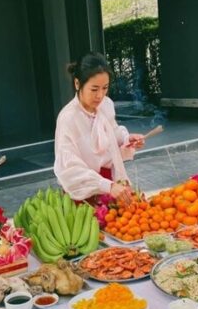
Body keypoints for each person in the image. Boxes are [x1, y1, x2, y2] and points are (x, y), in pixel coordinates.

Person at [54, 52, 145, 205]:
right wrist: (106, 186)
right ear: (77, 84)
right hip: (84, 190)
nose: (100, 95)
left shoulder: (106, 105)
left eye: (105, 88)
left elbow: (111, 132)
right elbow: (69, 167)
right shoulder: (68, 118)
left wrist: (127, 138)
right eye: (94, 89)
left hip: (111, 185)